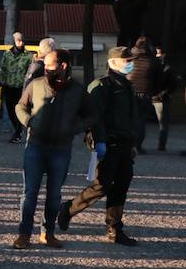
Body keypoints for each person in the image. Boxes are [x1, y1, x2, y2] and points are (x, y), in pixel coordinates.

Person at [58, 46, 144, 245]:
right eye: (126, 61)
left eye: (131, 60)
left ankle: (114, 229)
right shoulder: (102, 86)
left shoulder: (127, 86)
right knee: (102, 186)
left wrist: (133, 144)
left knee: (121, 185)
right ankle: (68, 209)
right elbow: (94, 118)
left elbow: (131, 118)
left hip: (124, 144)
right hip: (108, 143)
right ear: (113, 63)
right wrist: (100, 142)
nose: (130, 64)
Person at [13, 49, 94, 248]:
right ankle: (24, 234)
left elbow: (91, 115)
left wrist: (74, 128)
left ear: (63, 66)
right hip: (35, 146)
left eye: (49, 65)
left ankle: (47, 233)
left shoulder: (77, 90)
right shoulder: (36, 84)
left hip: (61, 148)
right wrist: (28, 121)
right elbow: (20, 106)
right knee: (29, 193)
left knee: (54, 194)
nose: (45, 68)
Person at [126, 37, 156, 154]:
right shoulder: (151, 61)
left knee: (128, 119)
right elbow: (155, 79)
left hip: (129, 92)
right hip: (144, 94)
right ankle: (138, 145)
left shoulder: (129, 58)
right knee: (141, 121)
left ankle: (128, 144)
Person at [0, 32, 31, 143]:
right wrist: (3, 82)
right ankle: (17, 129)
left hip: (20, 88)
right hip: (8, 86)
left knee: (19, 110)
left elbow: (29, 73)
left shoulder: (28, 56)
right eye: (18, 41)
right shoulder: (7, 54)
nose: (20, 43)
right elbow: (2, 69)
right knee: (10, 111)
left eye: (22, 41)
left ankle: (18, 132)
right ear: (15, 41)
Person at [150, 44, 175, 152]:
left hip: (161, 98)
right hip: (150, 97)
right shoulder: (150, 66)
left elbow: (173, 84)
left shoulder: (168, 68)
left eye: (159, 53)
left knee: (163, 124)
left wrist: (163, 94)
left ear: (163, 54)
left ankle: (162, 144)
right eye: (155, 53)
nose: (157, 55)